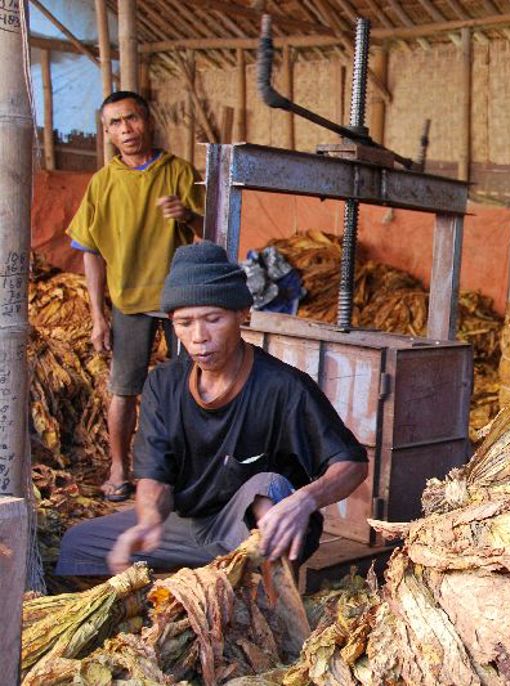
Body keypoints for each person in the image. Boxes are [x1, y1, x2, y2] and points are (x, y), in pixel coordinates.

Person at [55, 242, 369, 575]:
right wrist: (148, 521)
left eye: (213, 319)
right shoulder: (163, 384)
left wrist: (305, 500)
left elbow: (352, 464)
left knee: (269, 487)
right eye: (184, 323)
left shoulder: (284, 387)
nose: (199, 336)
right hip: (188, 524)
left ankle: (270, 588)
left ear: (243, 314)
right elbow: (155, 476)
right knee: (78, 544)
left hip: (253, 530)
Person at [67, 90, 205, 502]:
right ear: (107, 132)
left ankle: (188, 472)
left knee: (192, 386)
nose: (126, 129)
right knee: (124, 388)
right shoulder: (103, 183)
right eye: (116, 123)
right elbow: (90, 252)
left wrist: (189, 216)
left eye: (132, 118)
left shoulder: (178, 172)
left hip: (179, 300)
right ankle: (119, 467)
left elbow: (212, 231)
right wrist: (98, 316)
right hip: (128, 301)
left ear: (148, 121)